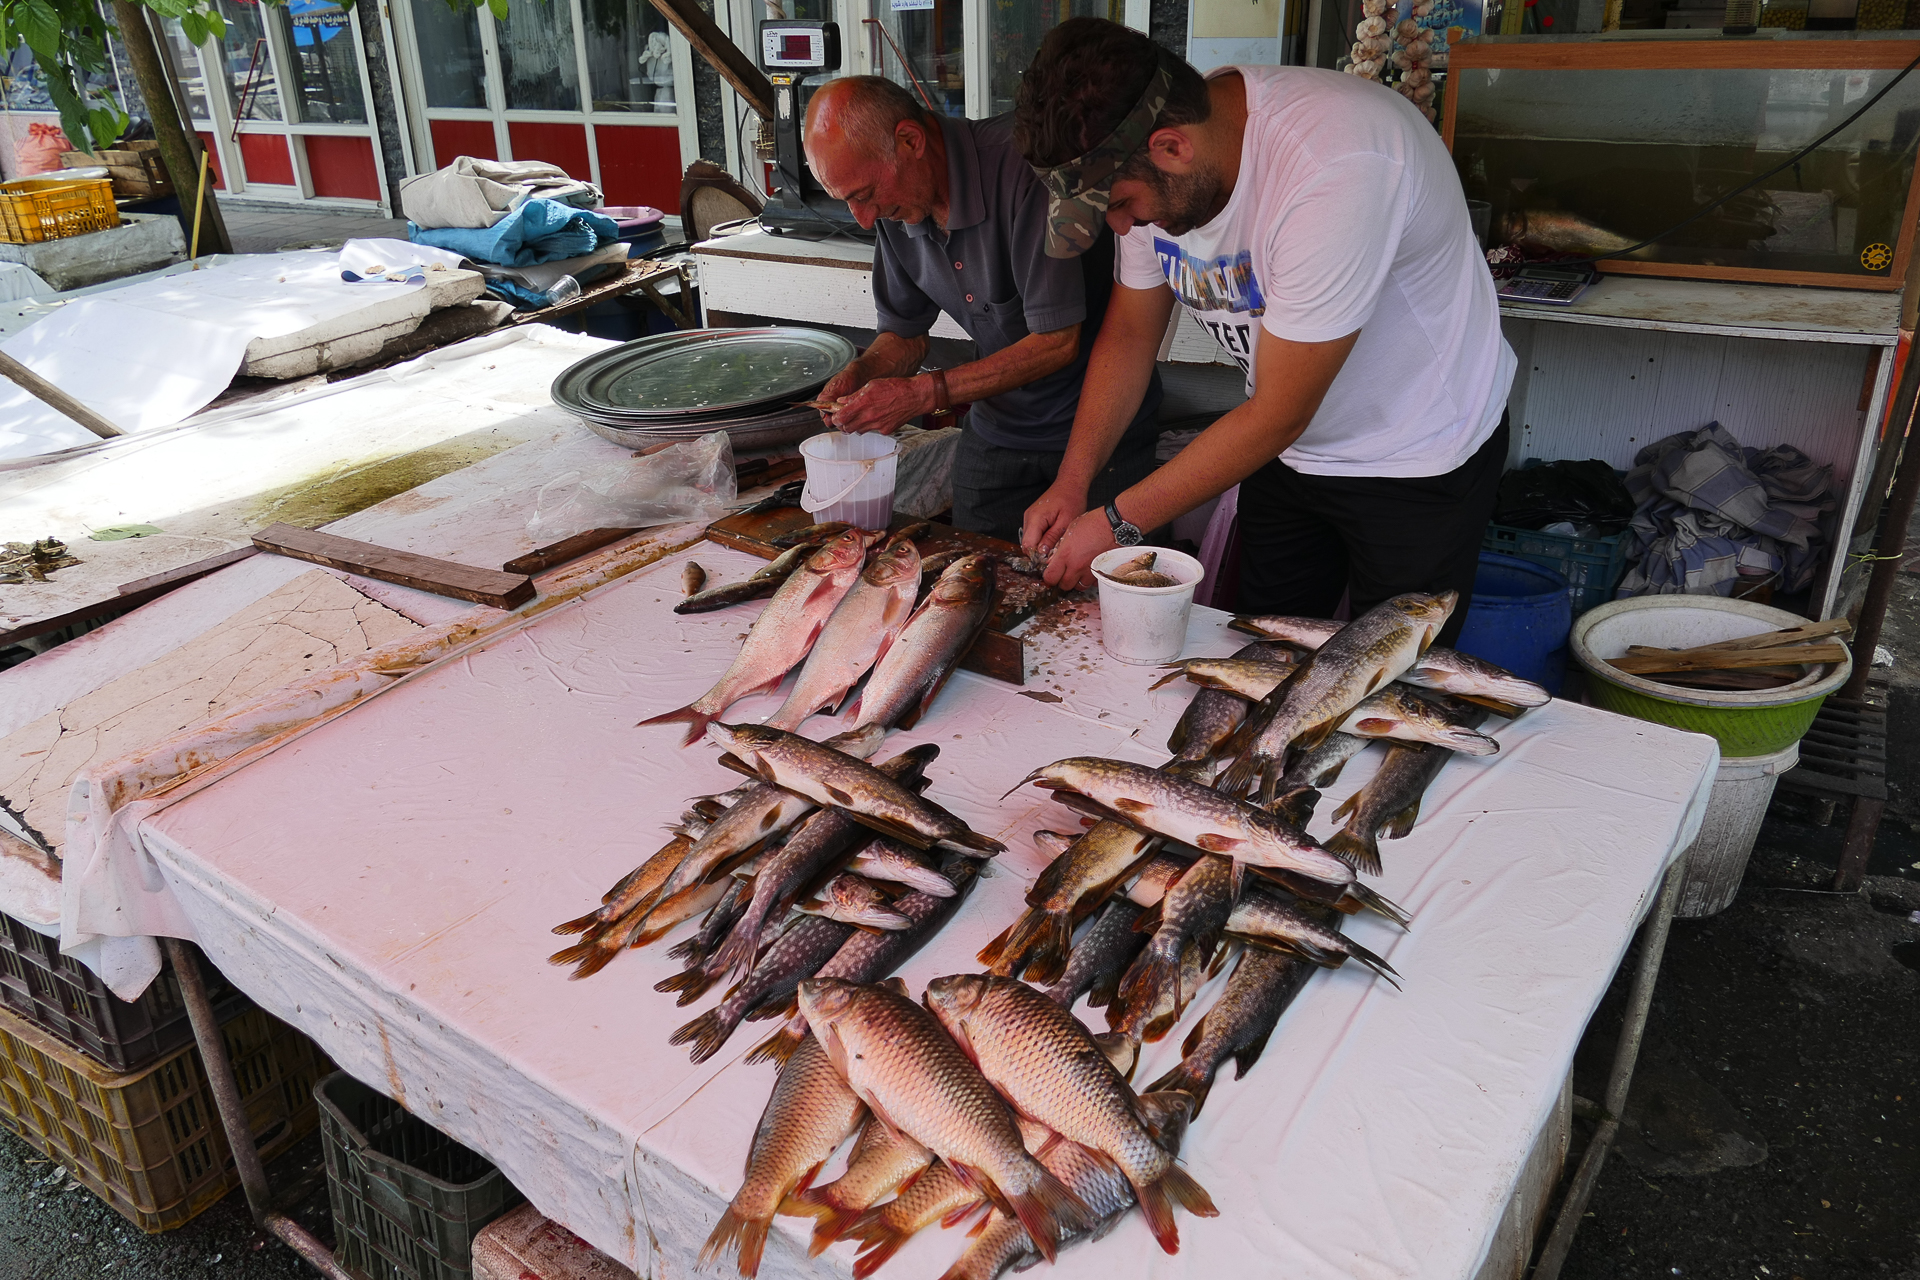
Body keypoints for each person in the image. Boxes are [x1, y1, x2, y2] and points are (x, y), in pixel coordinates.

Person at [1012, 19, 1514, 647]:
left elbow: (1281, 410)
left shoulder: (1334, 165)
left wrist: (1117, 522)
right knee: (1264, 653)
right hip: (1283, 447)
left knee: (1391, 676)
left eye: (1120, 204)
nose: (1120, 227)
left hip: (1416, 448)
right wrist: (1073, 478)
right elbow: (1131, 335)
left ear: (1171, 147)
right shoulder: (1142, 160)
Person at [802, 76, 1162, 544]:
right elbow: (905, 334)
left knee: (1094, 599)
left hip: (1096, 431)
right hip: (997, 429)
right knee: (970, 579)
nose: (864, 219)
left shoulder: (1022, 168)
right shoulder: (897, 205)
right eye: (847, 201)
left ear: (910, 140)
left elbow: (1057, 341)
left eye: (864, 195)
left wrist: (923, 394)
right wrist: (866, 371)